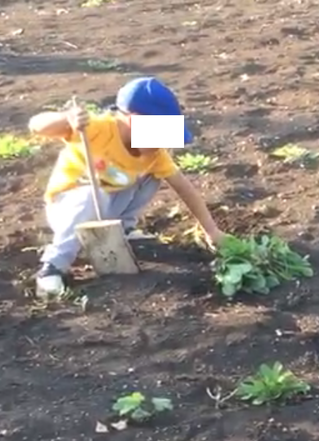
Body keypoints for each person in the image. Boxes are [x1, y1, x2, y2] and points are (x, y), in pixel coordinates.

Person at [27, 76, 224, 297]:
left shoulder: (155, 154)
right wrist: (66, 119)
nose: (164, 143)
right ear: (133, 120)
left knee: (152, 177)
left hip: (108, 207)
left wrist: (212, 231)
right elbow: (36, 125)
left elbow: (184, 188)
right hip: (70, 208)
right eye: (160, 133)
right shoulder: (96, 129)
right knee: (94, 195)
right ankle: (53, 266)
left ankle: (123, 229)